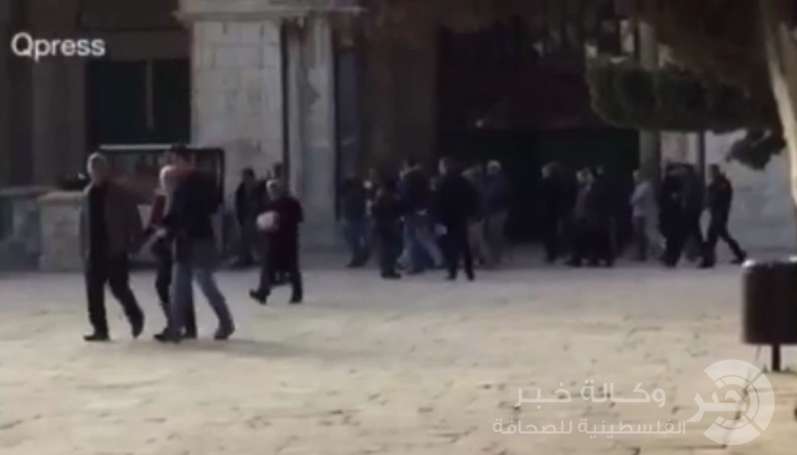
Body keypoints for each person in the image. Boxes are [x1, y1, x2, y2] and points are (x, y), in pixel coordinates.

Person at [157, 145, 235, 343]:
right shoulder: (180, 184)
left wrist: (177, 224)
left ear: (185, 160)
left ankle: (226, 322)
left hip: (199, 239)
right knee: (179, 287)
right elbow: (175, 212)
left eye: (175, 160)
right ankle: (175, 328)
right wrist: (165, 228)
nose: (173, 165)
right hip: (184, 241)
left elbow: (209, 208)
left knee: (205, 284)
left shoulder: (201, 181)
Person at [79, 153, 145, 342]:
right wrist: (82, 248)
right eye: (93, 169)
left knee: (119, 288)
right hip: (94, 249)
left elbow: (133, 217)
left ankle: (136, 316)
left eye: (99, 169)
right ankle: (100, 329)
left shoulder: (119, 193)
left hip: (115, 248)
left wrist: (135, 242)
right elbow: (83, 222)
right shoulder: (87, 193)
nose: (96, 173)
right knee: (93, 292)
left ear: (106, 170)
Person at [145, 165, 197, 339]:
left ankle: (185, 327)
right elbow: (153, 223)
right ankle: (174, 323)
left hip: (179, 247)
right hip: (163, 250)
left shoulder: (183, 199)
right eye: (165, 180)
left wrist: (170, 231)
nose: (167, 183)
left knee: (181, 288)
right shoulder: (160, 200)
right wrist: (141, 239)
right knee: (163, 285)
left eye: (171, 179)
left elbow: (185, 223)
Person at [250, 179, 304, 304]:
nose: (272, 192)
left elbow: (297, 218)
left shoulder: (290, 203)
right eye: (270, 189)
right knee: (268, 267)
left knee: (291, 269)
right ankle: (263, 293)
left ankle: (296, 293)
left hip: (286, 241)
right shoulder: (270, 204)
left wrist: (279, 221)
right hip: (275, 241)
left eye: (274, 189)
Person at [436, 157, 477, 281]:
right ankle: (469, 271)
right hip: (461, 217)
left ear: (445, 167)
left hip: (446, 219)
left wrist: (437, 217)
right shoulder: (463, 181)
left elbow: (438, 201)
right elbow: (472, 197)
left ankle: (452, 270)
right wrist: (471, 213)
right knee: (464, 245)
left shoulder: (442, 181)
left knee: (447, 244)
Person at [399, 159, 442, 273]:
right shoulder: (423, 178)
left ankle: (414, 263)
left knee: (410, 238)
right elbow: (428, 194)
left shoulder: (408, 178)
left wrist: (403, 210)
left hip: (411, 212)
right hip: (422, 211)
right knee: (422, 237)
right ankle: (432, 260)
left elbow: (406, 196)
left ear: (406, 166)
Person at [700, 165, 747, 268]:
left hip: (719, 214)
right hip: (717, 213)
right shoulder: (717, 183)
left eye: (711, 172)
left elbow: (717, 198)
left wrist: (708, 203)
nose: (710, 174)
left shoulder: (721, 183)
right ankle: (739, 255)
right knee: (717, 237)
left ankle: (709, 260)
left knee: (715, 237)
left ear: (716, 172)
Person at [568, 168, 613, 267]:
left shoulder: (598, 186)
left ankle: (600, 258)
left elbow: (596, 201)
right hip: (588, 216)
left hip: (596, 216)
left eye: (588, 176)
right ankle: (591, 258)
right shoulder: (586, 187)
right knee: (591, 238)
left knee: (599, 238)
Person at [232, 168, 266, 268]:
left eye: (246, 177)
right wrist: (240, 217)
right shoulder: (241, 189)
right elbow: (238, 204)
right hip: (247, 217)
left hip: (257, 216)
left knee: (259, 239)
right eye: (243, 177)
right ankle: (246, 258)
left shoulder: (259, 188)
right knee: (245, 239)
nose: (244, 179)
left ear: (252, 177)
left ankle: (263, 258)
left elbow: (262, 202)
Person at [372, 179, 404, 279]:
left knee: (384, 248)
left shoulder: (380, 196)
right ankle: (389, 270)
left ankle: (385, 269)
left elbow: (374, 210)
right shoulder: (392, 197)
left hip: (381, 224)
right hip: (390, 225)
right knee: (391, 249)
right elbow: (398, 209)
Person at [484, 160, 511, 266]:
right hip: (497, 210)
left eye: (489, 168)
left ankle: (496, 257)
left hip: (497, 211)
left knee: (495, 235)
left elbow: (494, 195)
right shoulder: (498, 180)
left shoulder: (499, 181)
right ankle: (496, 256)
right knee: (495, 234)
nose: (488, 170)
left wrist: (486, 200)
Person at [341, 176, 370, 268]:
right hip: (358, 218)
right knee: (357, 240)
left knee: (354, 241)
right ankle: (359, 257)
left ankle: (357, 258)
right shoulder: (362, 194)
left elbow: (348, 209)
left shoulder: (350, 195)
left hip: (352, 219)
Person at [629, 170, 657, 261]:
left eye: (636, 177)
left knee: (640, 235)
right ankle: (642, 254)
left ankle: (641, 255)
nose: (635, 179)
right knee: (641, 235)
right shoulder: (645, 186)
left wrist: (632, 200)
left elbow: (635, 199)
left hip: (641, 213)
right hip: (642, 212)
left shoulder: (644, 186)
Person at [539, 163, 564, 263]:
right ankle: (552, 253)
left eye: (544, 171)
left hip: (548, 211)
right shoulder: (557, 182)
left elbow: (545, 197)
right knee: (552, 233)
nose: (543, 172)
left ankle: (551, 254)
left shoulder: (547, 182)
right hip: (553, 211)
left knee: (549, 234)